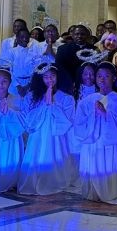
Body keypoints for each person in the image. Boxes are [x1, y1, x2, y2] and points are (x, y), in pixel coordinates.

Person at [74, 62, 117, 204]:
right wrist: (94, 115)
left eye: (107, 76)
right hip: (93, 143)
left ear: (113, 78)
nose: (102, 79)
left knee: (110, 168)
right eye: (99, 76)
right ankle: (93, 192)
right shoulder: (86, 101)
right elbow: (79, 124)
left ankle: (110, 192)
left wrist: (106, 115)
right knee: (94, 167)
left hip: (111, 144)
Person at [18, 65, 76, 195]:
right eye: (45, 76)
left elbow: (68, 121)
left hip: (57, 138)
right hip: (38, 137)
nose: (49, 79)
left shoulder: (66, 98)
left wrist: (52, 105)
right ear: (40, 78)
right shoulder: (32, 97)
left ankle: (54, 181)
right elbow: (28, 120)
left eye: (52, 76)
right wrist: (45, 104)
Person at [55, 24, 92, 94]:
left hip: (88, 85)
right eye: (77, 34)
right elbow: (59, 68)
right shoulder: (63, 49)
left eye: (82, 34)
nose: (79, 36)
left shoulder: (93, 49)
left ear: (87, 35)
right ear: (72, 35)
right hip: (68, 84)